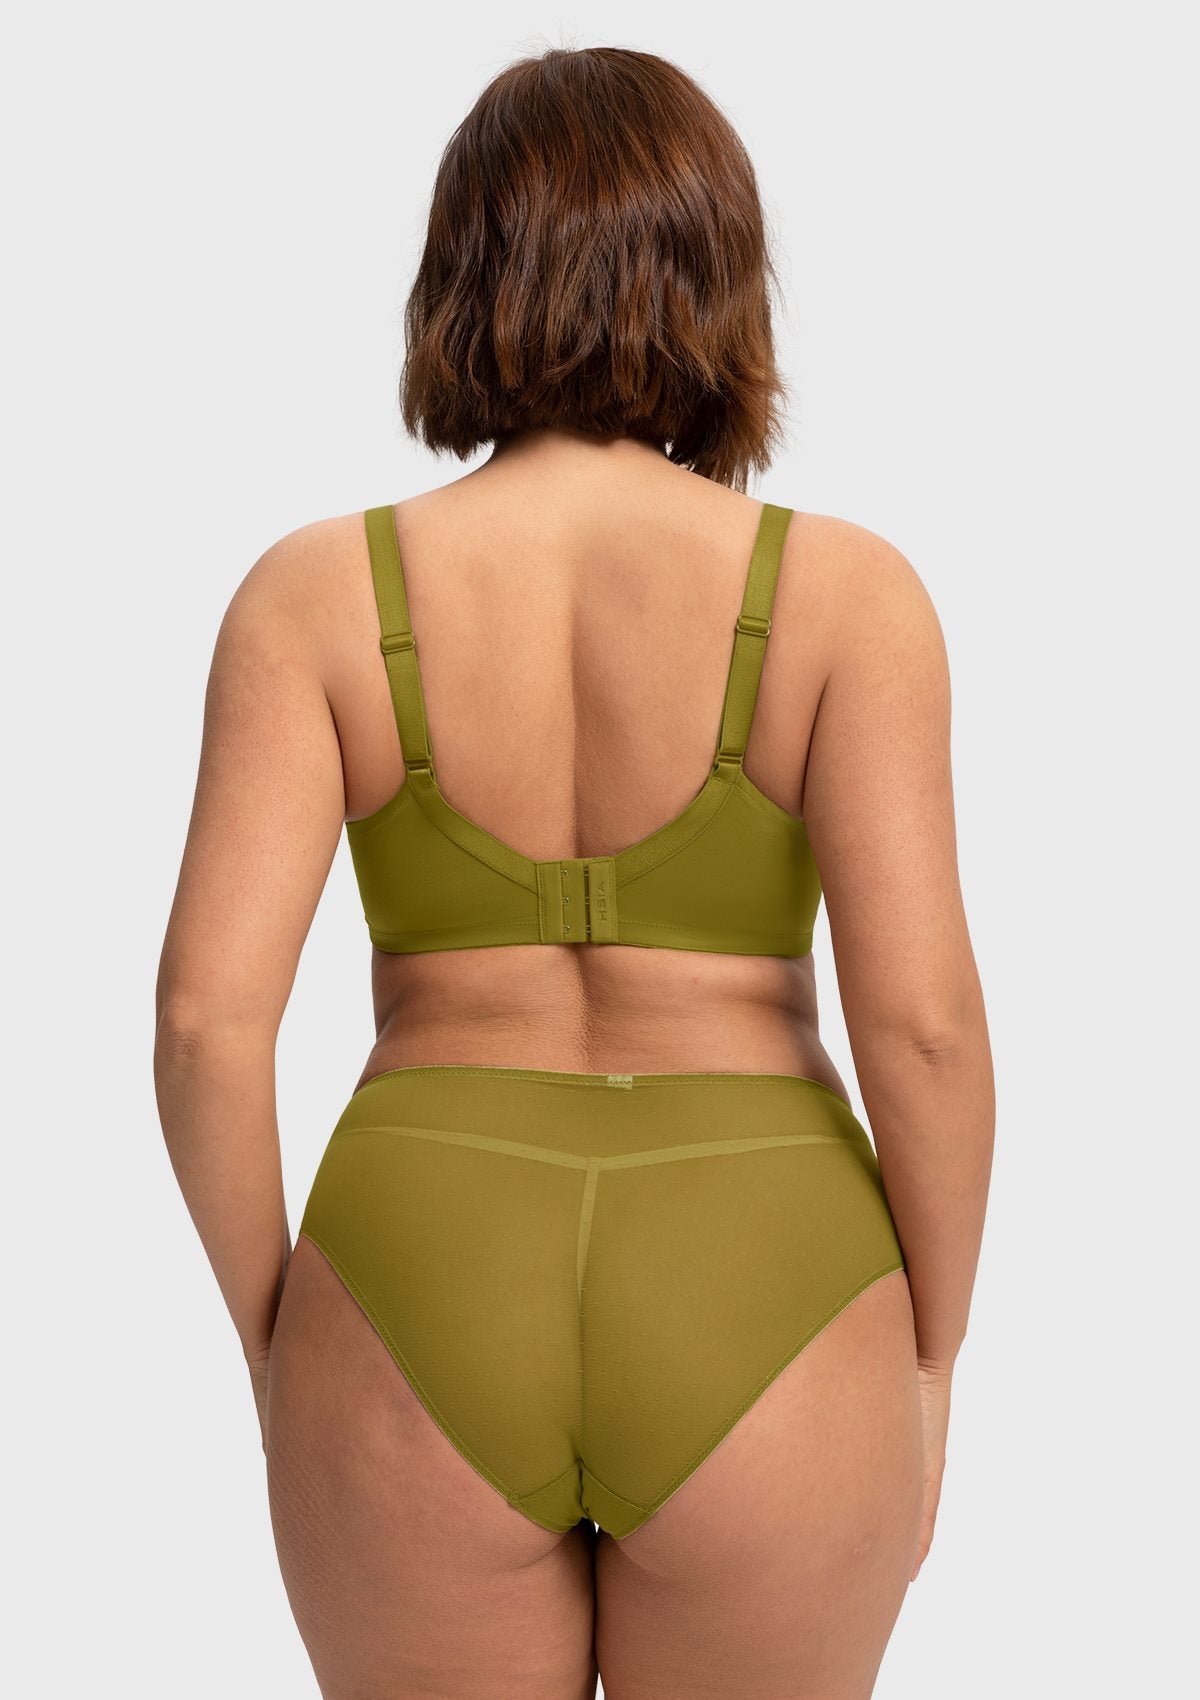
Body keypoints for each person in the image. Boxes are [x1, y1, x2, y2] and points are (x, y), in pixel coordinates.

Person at [154, 44, 994, 1700]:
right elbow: (927, 1033)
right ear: (718, 279)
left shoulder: (313, 598)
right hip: (763, 1262)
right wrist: (932, 1361)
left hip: (422, 1261)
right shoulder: (848, 599)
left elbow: (202, 1026)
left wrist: (278, 1337)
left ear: (460, 275)